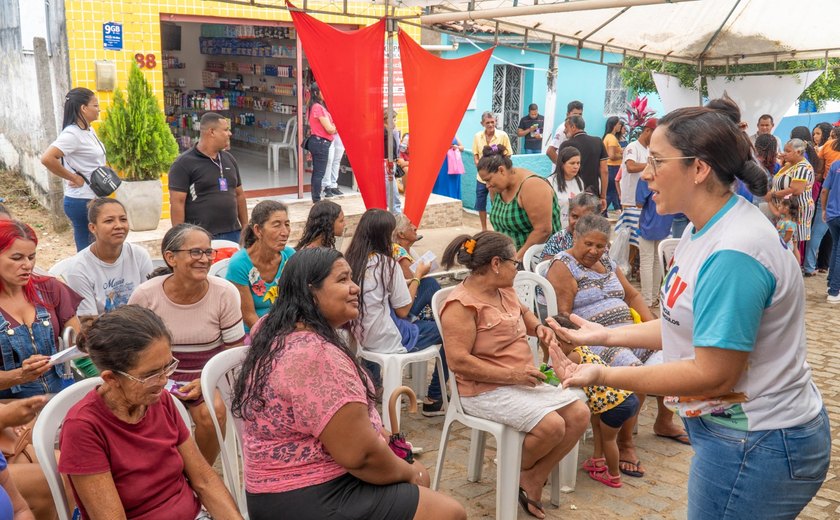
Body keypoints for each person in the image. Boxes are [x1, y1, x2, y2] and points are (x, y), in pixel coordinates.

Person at [553, 103, 829, 519]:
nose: (645, 173)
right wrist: (601, 335)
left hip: (757, 443)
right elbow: (682, 326)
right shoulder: (703, 229)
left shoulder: (734, 251)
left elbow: (713, 373)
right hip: (736, 436)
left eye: (658, 162)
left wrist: (604, 373)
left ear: (699, 169)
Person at [231, 248, 466, 520]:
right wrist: (411, 472)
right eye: (342, 280)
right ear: (311, 292)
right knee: (449, 512)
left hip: (271, 491)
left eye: (352, 279)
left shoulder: (271, 326)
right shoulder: (316, 356)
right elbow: (361, 456)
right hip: (309, 494)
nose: (355, 288)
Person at [439, 231, 589, 519]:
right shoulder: (462, 304)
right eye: (514, 263)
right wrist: (513, 375)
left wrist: (539, 328)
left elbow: (524, 315)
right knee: (552, 427)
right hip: (482, 390)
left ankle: (532, 477)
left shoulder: (503, 289)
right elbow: (458, 362)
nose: (517, 267)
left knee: (579, 414)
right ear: (496, 263)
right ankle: (511, 469)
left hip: (520, 379)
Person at [59, 305, 242, 520]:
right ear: (111, 379)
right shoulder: (83, 427)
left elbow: (204, 481)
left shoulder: (159, 400)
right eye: (151, 374)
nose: (164, 380)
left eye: (167, 366)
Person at [545, 213, 684, 477]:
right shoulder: (563, 266)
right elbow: (564, 317)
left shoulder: (607, 261)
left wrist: (652, 325)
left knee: (675, 352)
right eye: (588, 244)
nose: (594, 251)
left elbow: (631, 294)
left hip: (626, 332)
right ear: (575, 238)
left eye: (600, 246)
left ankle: (664, 422)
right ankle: (625, 442)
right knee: (634, 370)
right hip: (595, 337)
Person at [129, 223, 246, 464]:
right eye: (195, 252)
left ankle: (198, 475)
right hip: (157, 378)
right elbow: (131, 349)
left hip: (207, 376)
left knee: (211, 413)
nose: (204, 259)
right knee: (146, 418)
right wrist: (159, 382)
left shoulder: (224, 293)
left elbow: (234, 352)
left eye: (208, 252)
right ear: (170, 257)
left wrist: (204, 381)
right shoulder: (146, 295)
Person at [345, 209, 447, 415]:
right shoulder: (387, 264)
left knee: (428, 289)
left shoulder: (351, 260)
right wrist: (417, 276)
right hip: (388, 337)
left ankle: (376, 387)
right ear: (386, 235)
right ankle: (435, 397)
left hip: (362, 335)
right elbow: (403, 310)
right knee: (450, 329)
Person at [0, 220, 82, 398]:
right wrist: (19, 375)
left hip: (58, 395)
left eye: (31, 257)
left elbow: (76, 337)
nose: (27, 265)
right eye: (16, 258)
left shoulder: (50, 289)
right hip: (8, 409)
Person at [564, 340, 639, 489]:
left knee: (609, 440)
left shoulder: (572, 357)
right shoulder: (583, 350)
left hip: (616, 404)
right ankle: (597, 460)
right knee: (596, 422)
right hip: (625, 398)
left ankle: (613, 475)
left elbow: (564, 379)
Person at [63, 198, 153, 316]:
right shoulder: (79, 269)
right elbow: (88, 323)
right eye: (109, 221)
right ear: (93, 228)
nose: (119, 226)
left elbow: (152, 303)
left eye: (123, 219)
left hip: (143, 328)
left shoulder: (139, 255)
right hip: (103, 333)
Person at [40, 88, 105, 251]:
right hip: (81, 200)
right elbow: (47, 158)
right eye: (95, 105)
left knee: (97, 248)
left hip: (93, 197)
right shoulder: (72, 134)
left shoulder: (89, 130)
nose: (99, 109)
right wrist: (73, 177)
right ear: (83, 108)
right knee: (86, 251)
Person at [168, 112, 248, 242]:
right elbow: (177, 202)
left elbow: (239, 195)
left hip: (233, 234)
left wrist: (245, 227)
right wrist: (180, 238)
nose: (230, 134)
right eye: (226, 130)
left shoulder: (229, 159)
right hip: (201, 237)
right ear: (212, 132)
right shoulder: (183, 164)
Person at [478, 145, 561, 261]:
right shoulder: (496, 188)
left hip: (539, 260)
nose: (487, 185)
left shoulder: (532, 186)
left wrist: (515, 260)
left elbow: (543, 231)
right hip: (510, 257)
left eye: (488, 179)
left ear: (501, 170)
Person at [226, 201, 296, 332]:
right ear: (258, 230)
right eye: (276, 225)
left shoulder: (290, 256)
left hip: (286, 327)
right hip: (255, 332)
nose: (285, 232)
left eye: (287, 224)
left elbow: (298, 300)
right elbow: (249, 316)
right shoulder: (240, 264)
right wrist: (275, 340)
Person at [617, 119, 657, 267]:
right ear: (647, 131)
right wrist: (651, 164)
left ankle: (634, 266)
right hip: (630, 199)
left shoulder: (648, 150)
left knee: (640, 237)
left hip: (643, 200)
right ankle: (626, 266)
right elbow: (631, 167)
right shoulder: (632, 147)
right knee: (630, 238)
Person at [769, 139, 815, 257]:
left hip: (796, 208)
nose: (784, 153)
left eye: (788, 151)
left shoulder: (803, 167)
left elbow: (796, 190)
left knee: (792, 243)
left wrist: (773, 195)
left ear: (798, 152)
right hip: (785, 207)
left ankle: (794, 270)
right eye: (784, 150)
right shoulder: (790, 164)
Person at [636, 171, 675, 307]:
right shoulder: (671, 175)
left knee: (646, 261)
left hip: (648, 222)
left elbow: (639, 203)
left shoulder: (646, 177)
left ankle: (647, 299)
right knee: (658, 261)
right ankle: (654, 297)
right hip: (665, 221)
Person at [392, 214, 440, 323]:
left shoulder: (404, 250)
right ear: (401, 234)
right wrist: (421, 272)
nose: (415, 227)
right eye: (410, 225)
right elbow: (414, 284)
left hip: (402, 305)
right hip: (404, 309)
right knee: (429, 284)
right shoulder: (399, 252)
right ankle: (447, 318)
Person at [557, 116, 608, 211]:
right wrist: (603, 196)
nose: (564, 130)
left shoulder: (566, 145)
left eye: (566, 127)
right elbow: (604, 170)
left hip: (572, 193)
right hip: (593, 194)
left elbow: (560, 170)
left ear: (573, 127)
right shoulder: (598, 141)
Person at [472, 112, 512, 231]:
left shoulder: (503, 135)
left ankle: (497, 228)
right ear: (482, 123)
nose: (490, 124)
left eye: (492, 122)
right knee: (480, 203)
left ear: (495, 122)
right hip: (481, 178)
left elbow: (508, 154)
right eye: (487, 122)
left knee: (496, 202)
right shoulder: (477, 136)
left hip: (495, 178)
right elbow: (475, 155)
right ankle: (484, 229)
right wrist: (479, 167)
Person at [541, 192, 601, 261]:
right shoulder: (559, 239)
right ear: (569, 215)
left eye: (585, 219)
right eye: (575, 216)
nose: (578, 223)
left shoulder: (600, 241)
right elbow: (545, 267)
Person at [307, 83, 337, 202]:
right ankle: (316, 199)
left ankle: (316, 198)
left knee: (317, 173)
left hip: (318, 142)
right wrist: (336, 127)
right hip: (321, 143)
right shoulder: (318, 107)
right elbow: (329, 129)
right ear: (316, 93)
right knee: (319, 173)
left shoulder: (314, 106)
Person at [550, 147, 585, 229]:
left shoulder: (579, 181)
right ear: (562, 164)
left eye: (578, 163)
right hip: (557, 230)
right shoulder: (550, 182)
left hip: (575, 230)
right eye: (572, 163)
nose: (576, 166)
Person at [821, 159, 840, 303]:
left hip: (832, 214)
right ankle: (834, 291)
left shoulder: (835, 164)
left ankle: (830, 285)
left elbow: (824, 190)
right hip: (833, 213)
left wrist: (823, 209)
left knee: (835, 248)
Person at [384, 112, 406, 214]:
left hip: (390, 164)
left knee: (393, 194)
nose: (394, 121)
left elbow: (395, 149)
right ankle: (397, 216)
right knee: (393, 195)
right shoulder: (383, 132)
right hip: (386, 165)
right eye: (393, 119)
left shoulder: (391, 132)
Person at [603, 116, 624, 211]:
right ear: (614, 125)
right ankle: (602, 211)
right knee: (612, 193)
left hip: (611, 168)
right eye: (619, 124)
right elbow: (611, 156)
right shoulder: (612, 139)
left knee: (613, 193)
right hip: (613, 168)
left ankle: (618, 209)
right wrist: (623, 155)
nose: (620, 126)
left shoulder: (608, 137)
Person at [324, 132, 345, 198]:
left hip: (340, 133)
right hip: (328, 132)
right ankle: (326, 186)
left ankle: (333, 185)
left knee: (337, 161)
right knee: (328, 161)